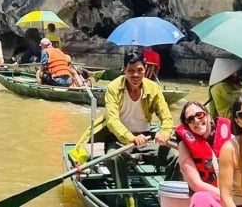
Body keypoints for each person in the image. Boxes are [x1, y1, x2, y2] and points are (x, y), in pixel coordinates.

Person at [73, 49, 177, 183]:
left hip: (145, 138)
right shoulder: (113, 88)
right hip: (118, 139)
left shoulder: (153, 88)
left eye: (140, 70)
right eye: (131, 71)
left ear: (145, 70)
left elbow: (167, 117)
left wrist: (164, 133)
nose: (136, 75)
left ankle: (169, 193)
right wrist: (131, 138)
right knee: (113, 158)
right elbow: (112, 120)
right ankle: (126, 196)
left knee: (175, 157)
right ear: (124, 70)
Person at [171, 100, 233, 207]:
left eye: (199, 115)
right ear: (187, 125)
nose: (196, 120)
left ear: (208, 116)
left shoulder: (228, 136)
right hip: (210, 196)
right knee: (200, 198)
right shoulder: (184, 146)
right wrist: (226, 197)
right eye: (190, 119)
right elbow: (196, 184)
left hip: (234, 193)